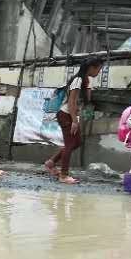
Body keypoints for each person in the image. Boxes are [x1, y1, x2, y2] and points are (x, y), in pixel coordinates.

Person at [45, 57, 102, 185]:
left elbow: (85, 101)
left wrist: (88, 88)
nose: (98, 72)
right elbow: (71, 102)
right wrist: (74, 121)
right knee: (70, 144)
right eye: (98, 69)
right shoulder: (78, 80)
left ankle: (51, 163)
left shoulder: (85, 80)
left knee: (77, 142)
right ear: (92, 67)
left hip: (69, 115)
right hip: (66, 115)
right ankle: (63, 175)